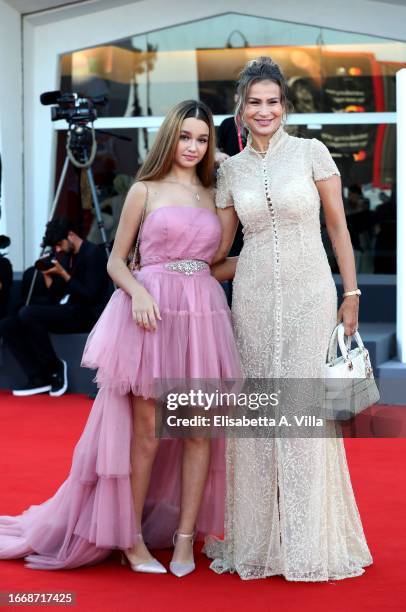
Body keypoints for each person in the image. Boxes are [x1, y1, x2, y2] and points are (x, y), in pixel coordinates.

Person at [0, 100, 241, 576]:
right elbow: (115, 260)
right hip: (149, 313)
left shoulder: (218, 195)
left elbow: (218, 262)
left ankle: (187, 539)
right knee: (147, 436)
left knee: (198, 434)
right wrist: (138, 292)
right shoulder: (144, 190)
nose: (193, 146)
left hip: (201, 316)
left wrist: (278, 260)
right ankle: (131, 540)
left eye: (202, 138)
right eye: (185, 136)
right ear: (170, 138)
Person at [204, 57, 373, 581]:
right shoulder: (230, 170)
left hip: (310, 296)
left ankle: (308, 544)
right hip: (251, 302)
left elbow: (339, 231)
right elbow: (220, 250)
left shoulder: (311, 153)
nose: (264, 110)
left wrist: (351, 293)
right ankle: (257, 543)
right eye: (254, 102)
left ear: (285, 105)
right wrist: (173, 266)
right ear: (241, 107)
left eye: (273, 101)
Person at [0, 219, 110, 397]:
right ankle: (38, 376)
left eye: (59, 244)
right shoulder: (67, 256)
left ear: (71, 235)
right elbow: (56, 296)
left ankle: (55, 367)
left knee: (28, 313)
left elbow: (90, 295)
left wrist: (64, 275)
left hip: (87, 315)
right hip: (69, 310)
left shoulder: (93, 253)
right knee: (7, 324)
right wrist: (49, 277)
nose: (58, 249)